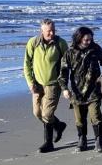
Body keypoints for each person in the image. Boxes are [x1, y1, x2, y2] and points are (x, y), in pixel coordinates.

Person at [59, 26, 102, 153]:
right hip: (77, 92)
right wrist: (64, 89)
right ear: (79, 39)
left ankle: (99, 142)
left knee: (96, 116)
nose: (89, 42)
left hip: (93, 90)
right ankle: (82, 140)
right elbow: (63, 72)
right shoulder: (70, 53)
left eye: (91, 39)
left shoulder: (95, 49)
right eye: (86, 40)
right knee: (79, 119)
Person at [23, 18, 69, 153]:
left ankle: (48, 143)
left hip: (53, 84)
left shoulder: (61, 43)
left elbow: (66, 65)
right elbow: (27, 64)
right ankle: (59, 125)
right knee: (37, 113)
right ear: (41, 31)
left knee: (47, 114)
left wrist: (64, 84)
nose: (51, 33)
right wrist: (30, 83)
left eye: (53, 30)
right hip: (37, 85)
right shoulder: (33, 43)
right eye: (48, 31)